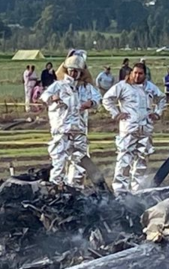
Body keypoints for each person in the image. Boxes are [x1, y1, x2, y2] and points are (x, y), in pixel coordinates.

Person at [40, 51, 101, 187]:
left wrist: (90, 103)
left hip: (79, 130)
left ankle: (75, 190)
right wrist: (53, 98)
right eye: (71, 70)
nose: (73, 74)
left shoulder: (86, 88)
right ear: (67, 70)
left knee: (80, 162)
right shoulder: (58, 86)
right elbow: (44, 97)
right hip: (61, 130)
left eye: (76, 71)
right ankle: (56, 189)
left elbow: (98, 99)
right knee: (58, 161)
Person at [103, 62, 162, 194]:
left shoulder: (150, 87)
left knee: (142, 159)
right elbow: (107, 99)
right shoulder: (122, 86)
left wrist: (157, 113)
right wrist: (116, 113)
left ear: (144, 75)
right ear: (130, 73)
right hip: (128, 129)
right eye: (135, 73)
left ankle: (138, 190)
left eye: (140, 73)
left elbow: (161, 98)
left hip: (145, 129)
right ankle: (120, 190)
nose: (137, 76)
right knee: (124, 159)